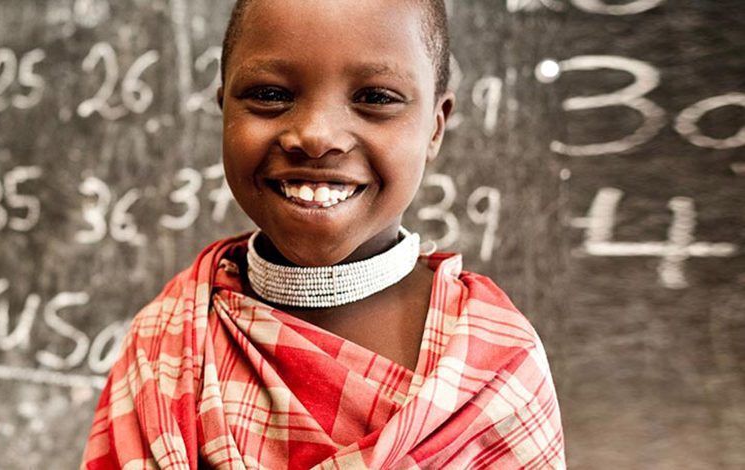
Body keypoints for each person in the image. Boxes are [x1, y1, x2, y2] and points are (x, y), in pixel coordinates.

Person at [80, 0, 565, 468]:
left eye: (375, 98)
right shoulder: (169, 343)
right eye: (270, 95)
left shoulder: (496, 367)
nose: (315, 135)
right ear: (223, 107)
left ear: (435, 128)